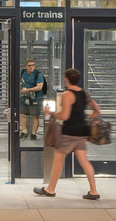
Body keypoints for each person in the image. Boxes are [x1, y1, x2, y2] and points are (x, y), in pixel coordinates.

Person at [33, 68, 101, 200]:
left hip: (69, 133)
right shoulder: (84, 93)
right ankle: (93, 191)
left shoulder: (67, 95)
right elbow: (97, 110)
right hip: (82, 133)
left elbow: (64, 116)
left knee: (58, 161)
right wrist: (90, 118)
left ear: (66, 79)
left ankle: (50, 189)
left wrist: (50, 113)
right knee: (85, 162)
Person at [17, 59, 46, 139]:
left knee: (35, 116)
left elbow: (39, 87)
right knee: (21, 114)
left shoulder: (38, 74)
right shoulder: (23, 73)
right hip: (25, 98)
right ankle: (24, 131)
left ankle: (34, 134)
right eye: (29, 65)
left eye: (33, 65)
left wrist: (27, 90)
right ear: (26, 66)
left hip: (35, 98)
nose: (31, 67)